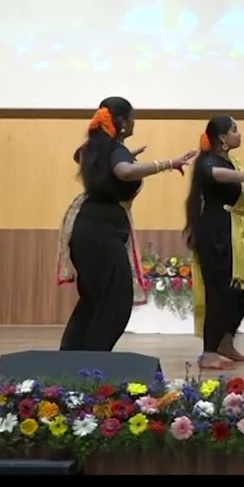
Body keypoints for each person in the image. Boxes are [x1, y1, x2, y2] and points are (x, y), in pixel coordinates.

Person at [56, 97, 196, 352]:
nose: (134, 123)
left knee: (92, 299)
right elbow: (124, 172)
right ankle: (94, 358)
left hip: (85, 227)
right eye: (132, 118)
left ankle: (72, 356)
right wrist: (167, 163)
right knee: (116, 300)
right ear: (121, 121)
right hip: (102, 231)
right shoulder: (114, 149)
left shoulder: (95, 147)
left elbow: (84, 157)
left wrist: (123, 156)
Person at [184, 116, 244, 370]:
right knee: (221, 290)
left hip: (236, 231)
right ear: (222, 139)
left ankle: (225, 340)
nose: (240, 134)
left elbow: (235, 179)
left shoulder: (230, 161)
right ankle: (208, 352)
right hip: (217, 232)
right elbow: (219, 175)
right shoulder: (208, 162)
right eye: (235, 130)